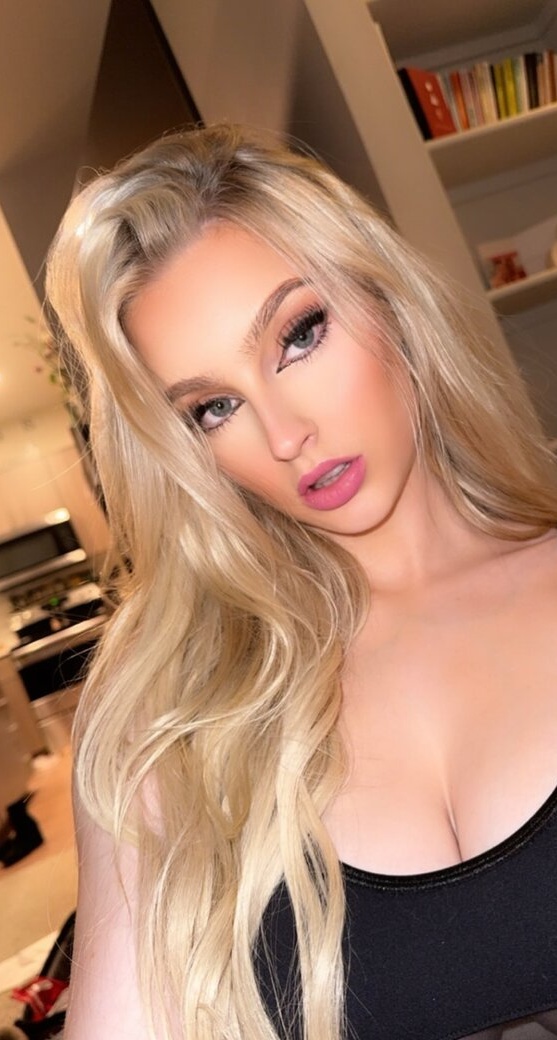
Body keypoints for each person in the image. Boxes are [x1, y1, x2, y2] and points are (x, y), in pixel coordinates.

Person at [45, 123, 557, 1040]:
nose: (285, 435)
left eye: (299, 335)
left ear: (385, 299)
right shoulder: (168, 716)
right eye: (213, 407)